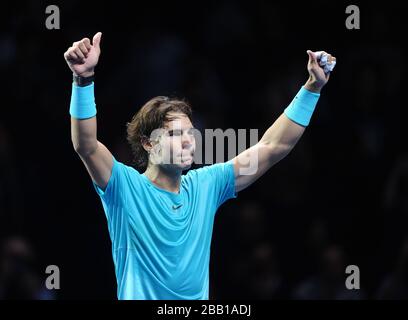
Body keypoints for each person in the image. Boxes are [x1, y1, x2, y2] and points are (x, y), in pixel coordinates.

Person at [64, 32, 335, 300]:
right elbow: (86, 145)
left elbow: (273, 147)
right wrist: (83, 79)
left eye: (189, 134)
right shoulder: (125, 186)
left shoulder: (206, 184)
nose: (187, 142)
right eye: (173, 134)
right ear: (148, 143)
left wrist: (312, 88)